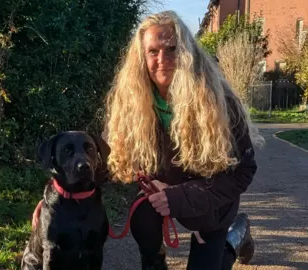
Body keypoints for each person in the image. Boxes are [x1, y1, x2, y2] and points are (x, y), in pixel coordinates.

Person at [102, 10, 265, 270]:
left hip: (209, 201)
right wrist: (56, 194)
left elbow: (243, 171)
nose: (162, 59)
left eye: (172, 49)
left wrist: (179, 197)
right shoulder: (130, 102)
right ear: (142, 58)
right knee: (142, 216)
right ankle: (154, 262)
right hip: (162, 194)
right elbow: (104, 159)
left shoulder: (220, 102)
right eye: (153, 51)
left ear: (187, 53)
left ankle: (236, 235)